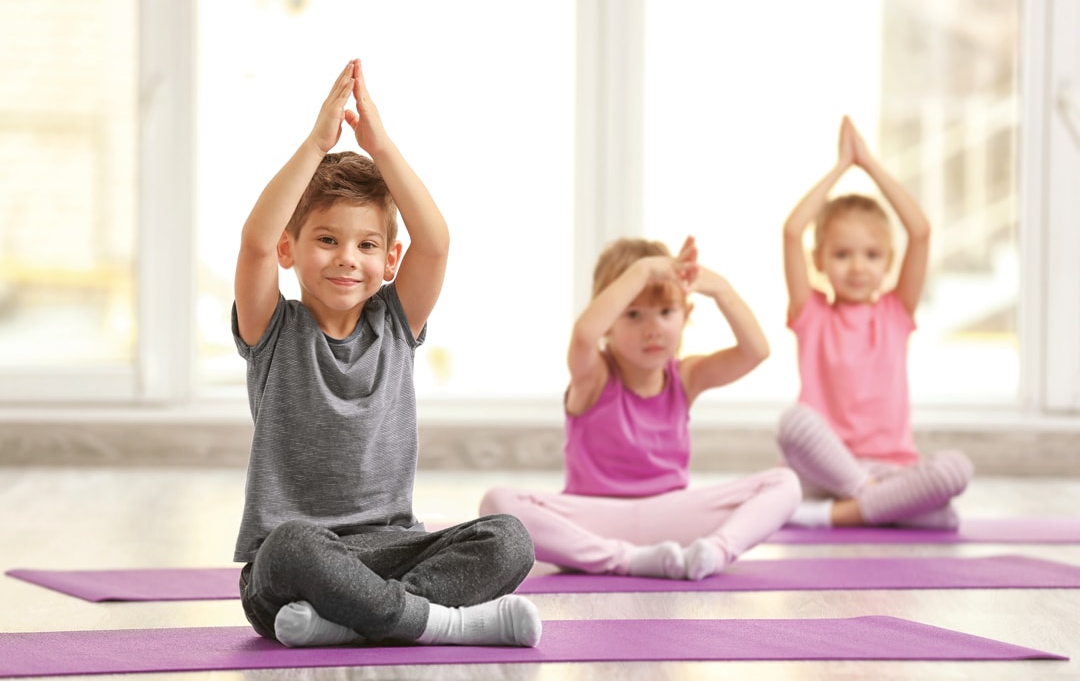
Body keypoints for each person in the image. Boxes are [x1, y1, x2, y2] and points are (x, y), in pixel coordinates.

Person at [231, 59, 540, 649]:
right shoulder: (272, 329)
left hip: (393, 551)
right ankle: (439, 625)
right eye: (327, 240)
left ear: (389, 259)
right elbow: (251, 244)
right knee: (292, 545)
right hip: (294, 565)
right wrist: (318, 142)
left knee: (510, 540)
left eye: (366, 244)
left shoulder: (396, 323)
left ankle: (349, 625)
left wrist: (380, 144)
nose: (348, 256)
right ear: (289, 249)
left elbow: (436, 241)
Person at [480, 236, 801, 581]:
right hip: (594, 521)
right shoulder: (594, 376)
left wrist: (720, 289)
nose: (653, 330)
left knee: (786, 483)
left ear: (685, 314)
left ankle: (713, 553)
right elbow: (584, 336)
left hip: (671, 516)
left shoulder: (686, 376)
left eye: (666, 313)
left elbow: (755, 351)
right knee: (496, 503)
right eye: (632, 315)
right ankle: (625, 559)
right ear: (609, 323)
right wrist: (643, 270)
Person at [777, 115, 973, 530]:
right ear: (819, 261)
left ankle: (838, 512)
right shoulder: (811, 315)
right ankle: (872, 504)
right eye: (842, 254)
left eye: (871, 254)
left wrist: (869, 165)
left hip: (888, 467)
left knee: (954, 473)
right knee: (793, 422)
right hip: (823, 468)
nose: (857, 267)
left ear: (888, 262)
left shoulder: (896, 313)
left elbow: (919, 231)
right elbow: (793, 231)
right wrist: (840, 168)